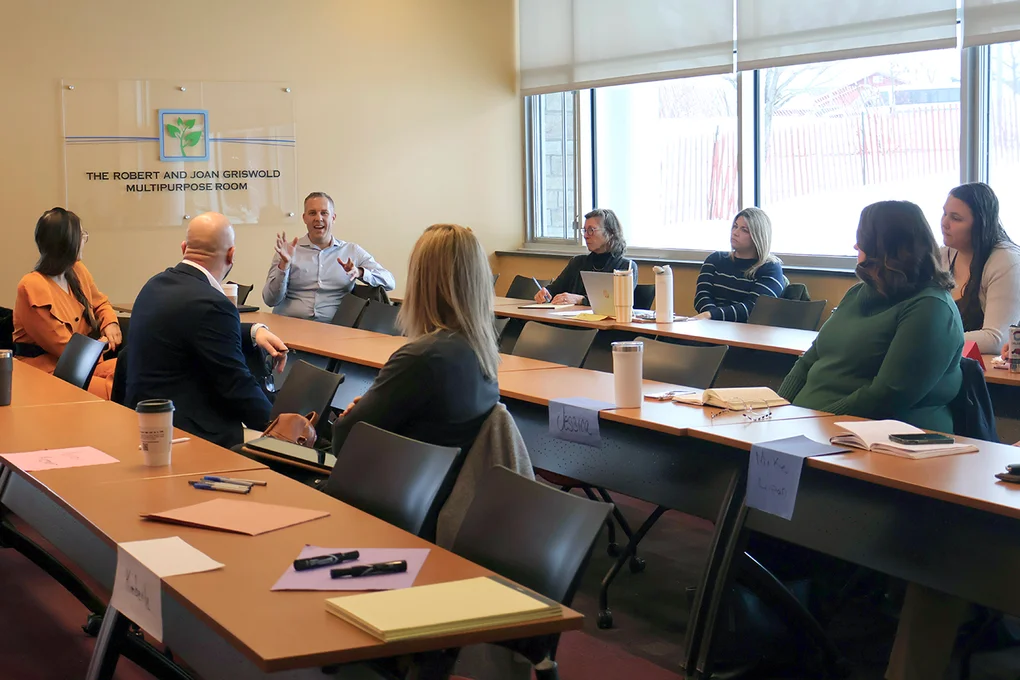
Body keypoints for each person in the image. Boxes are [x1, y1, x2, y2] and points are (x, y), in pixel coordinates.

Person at [779, 201, 963, 432]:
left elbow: (887, 395)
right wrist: (779, 412)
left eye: (863, 237)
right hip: (813, 427)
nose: (856, 245)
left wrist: (816, 423)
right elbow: (809, 360)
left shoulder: (931, 308)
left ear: (886, 247)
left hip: (879, 440)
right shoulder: (858, 293)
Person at [329, 223, 500, 460]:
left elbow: (345, 442)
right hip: (446, 488)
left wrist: (349, 417)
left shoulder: (421, 357)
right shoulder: (481, 351)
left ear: (422, 282)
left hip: (391, 489)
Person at [125, 212, 288, 449]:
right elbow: (236, 386)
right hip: (191, 434)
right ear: (231, 254)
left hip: (146, 422)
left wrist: (253, 331)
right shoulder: (212, 304)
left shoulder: (155, 284)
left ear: (184, 248)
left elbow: (190, 330)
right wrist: (281, 431)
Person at [13, 208, 122, 399]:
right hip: (49, 373)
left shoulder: (77, 270)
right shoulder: (32, 286)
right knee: (119, 389)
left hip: (84, 365)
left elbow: (100, 302)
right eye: (82, 235)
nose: (84, 240)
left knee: (139, 372)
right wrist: (103, 343)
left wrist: (110, 322)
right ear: (67, 242)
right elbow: (65, 348)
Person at [262, 192, 395, 322]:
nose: (318, 218)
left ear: (333, 217)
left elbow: (389, 282)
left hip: (334, 331)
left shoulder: (351, 251)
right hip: (289, 325)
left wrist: (360, 272)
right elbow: (270, 300)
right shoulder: (287, 251)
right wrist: (284, 266)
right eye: (312, 213)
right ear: (304, 218)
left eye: (324, 213)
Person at [940, 182, 1020, 354]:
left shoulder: (1006, 260)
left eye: (955, 218)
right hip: (951, 365)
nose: (944, 223)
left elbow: (996, 339)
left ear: (980, 224)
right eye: (944, 213)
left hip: (989, 376)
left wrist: (932, 339)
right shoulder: (942, 256)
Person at [693, 207, 785, 322]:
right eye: (735, 226)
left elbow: (754, 308)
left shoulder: (770, 268)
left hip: (748, 334)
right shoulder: (715, 260)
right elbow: (702, 295)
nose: (735, 233)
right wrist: (712, 319)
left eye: (744, 230)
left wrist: (712, 315)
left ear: (758, 236)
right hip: (709, 327)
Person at [533, 208, 637, 305]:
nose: (586, 236)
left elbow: (616, 301)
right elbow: (555, 289)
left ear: (610, 233)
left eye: (591, 230)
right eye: (585, 230)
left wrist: (580, 299)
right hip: (569, 320)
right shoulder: (577, 262)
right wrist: (546, 293)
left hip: (601, 323)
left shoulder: (626, 267)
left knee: (530, 325)